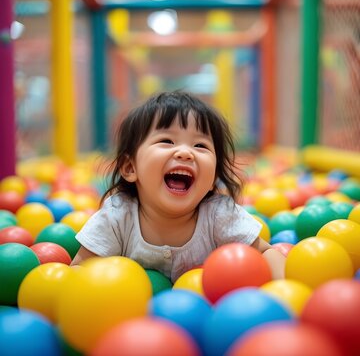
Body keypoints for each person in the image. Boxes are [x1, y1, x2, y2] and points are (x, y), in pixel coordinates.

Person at [71, 91, 285, 281]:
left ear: (214, 176)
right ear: (130, 168)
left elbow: (266, 253)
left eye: (200, 145)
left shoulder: (220, 215)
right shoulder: (117, 216)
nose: (185, 152)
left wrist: (283, 287)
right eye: (167, 141)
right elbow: (80, 272)